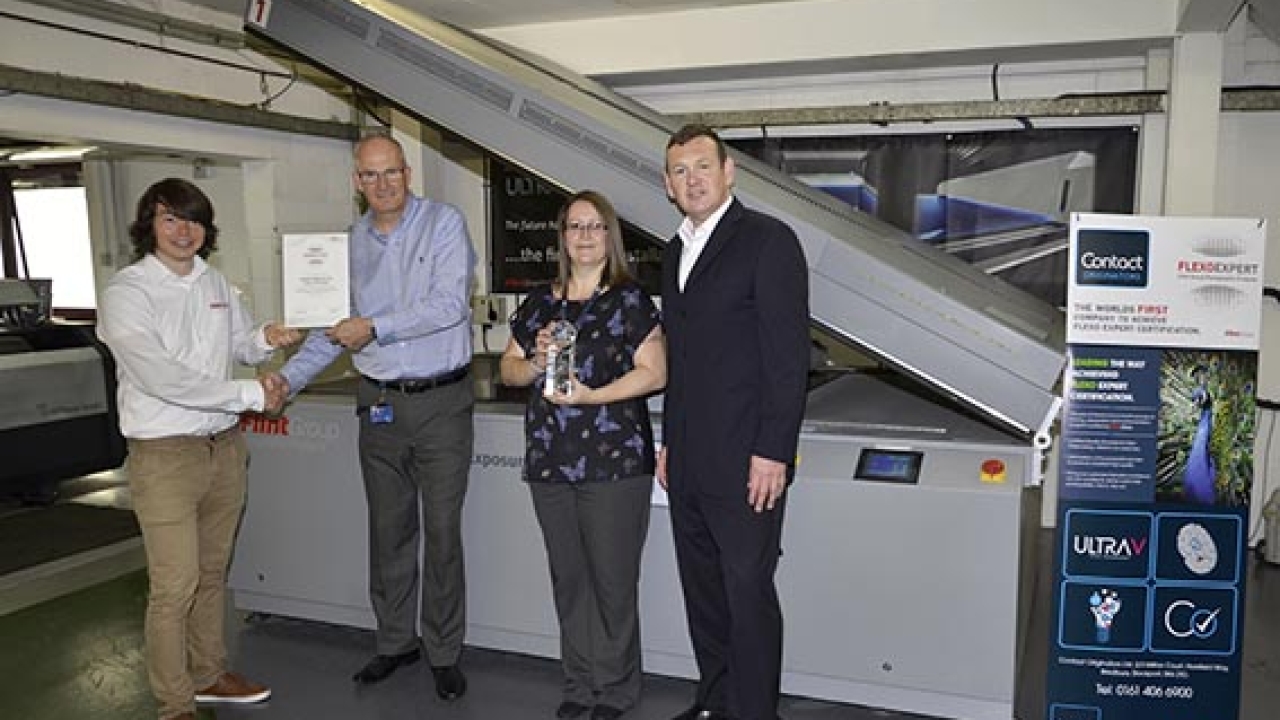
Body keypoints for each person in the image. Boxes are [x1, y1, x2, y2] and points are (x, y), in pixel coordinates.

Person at [268, 133, 476, 700]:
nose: (383, 185)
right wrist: (287, 379)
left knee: (441, 533)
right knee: (387, 533)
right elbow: (328, 331)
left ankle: (443, 650)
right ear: (357, 182)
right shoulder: (344, 247)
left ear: (407, 173)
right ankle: (394, 643)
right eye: (370, 175)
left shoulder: (445, 224)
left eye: (392, 173)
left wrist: (374, 326)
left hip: (441, 404)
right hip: (379, 403)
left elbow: (448, 304)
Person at [97, 177, 300, 720]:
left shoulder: (215, 283)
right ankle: (174, 703)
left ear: (206, 230)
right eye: (170, 219)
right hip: (164, 456)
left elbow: (236, 343)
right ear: (149, 225)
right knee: (174, 584)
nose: (183, 231)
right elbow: (164, 378)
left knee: (213, 573)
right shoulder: (127, 293)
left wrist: (266, 339)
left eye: (192, 220)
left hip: (223, 448)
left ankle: (209, 674)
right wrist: (252, 393)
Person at [657, 124, 810, 720]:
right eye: (679, 171)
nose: (691, 179)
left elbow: (786, 357)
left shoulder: (768, 241)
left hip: (750, 461)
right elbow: (682, 359)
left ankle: (753, 712)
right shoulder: (673, 251)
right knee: (705, 593)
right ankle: (714, 703)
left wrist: (775, 450)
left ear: (728, 173)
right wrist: (670, 442)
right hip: (692, 457)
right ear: (667, 184)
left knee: (748, 594)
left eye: (702, 166)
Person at [500, 191, 666, 720]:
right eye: (576, 226)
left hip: (614, 461)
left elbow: (655, 373)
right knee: (568, 578)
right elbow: (509, 371)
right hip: (551, 459)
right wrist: (535, 358)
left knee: (613, 582)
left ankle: (616, 689)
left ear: (609, 235)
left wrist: (593, 395)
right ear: (563, 236)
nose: (586, 235)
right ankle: (578, 684)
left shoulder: (630, 300)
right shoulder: (540, 303)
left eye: (596, 226)